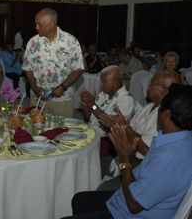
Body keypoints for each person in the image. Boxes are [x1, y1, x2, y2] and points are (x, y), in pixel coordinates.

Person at [63, 83, 192, 219]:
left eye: (160, 109)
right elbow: (148, 168)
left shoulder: (169, 157)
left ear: (166, 115)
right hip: (129, 194)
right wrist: (129, 156)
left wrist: (124, 158)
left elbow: (134, 205)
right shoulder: (177, 139)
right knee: (79, 200)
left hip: (127, 212)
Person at [97, 70, 181, 190]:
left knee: (99, 186)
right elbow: (131, 128)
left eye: (152, 83)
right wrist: (121, 125)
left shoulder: (167, 119)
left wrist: (124, 127)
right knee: (92, 164)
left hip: (136, 169)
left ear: (164, 90)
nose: (148, 86)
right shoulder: (149, 107)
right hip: (124, 157)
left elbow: (146, 150)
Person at [23, 8, 84, 117]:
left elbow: (78, 68)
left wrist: (63, 87)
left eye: (39, 24)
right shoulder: (33, 42)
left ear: (51, 24)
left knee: (62, 132)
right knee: (35, 131)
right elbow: (27, 68)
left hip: (62, 100)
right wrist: (35, 88)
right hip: (38, 99)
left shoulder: (71, 42)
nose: (36, 27)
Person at [80, 65, 135, 138]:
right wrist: (86, 105)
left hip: (107, 142)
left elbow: (109, 126)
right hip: (91, 134)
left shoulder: (126, 100)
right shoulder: (103, 94)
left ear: (114, 82)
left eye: (104, 82)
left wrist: (92, 105)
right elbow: (89, 120)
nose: (101, 85)